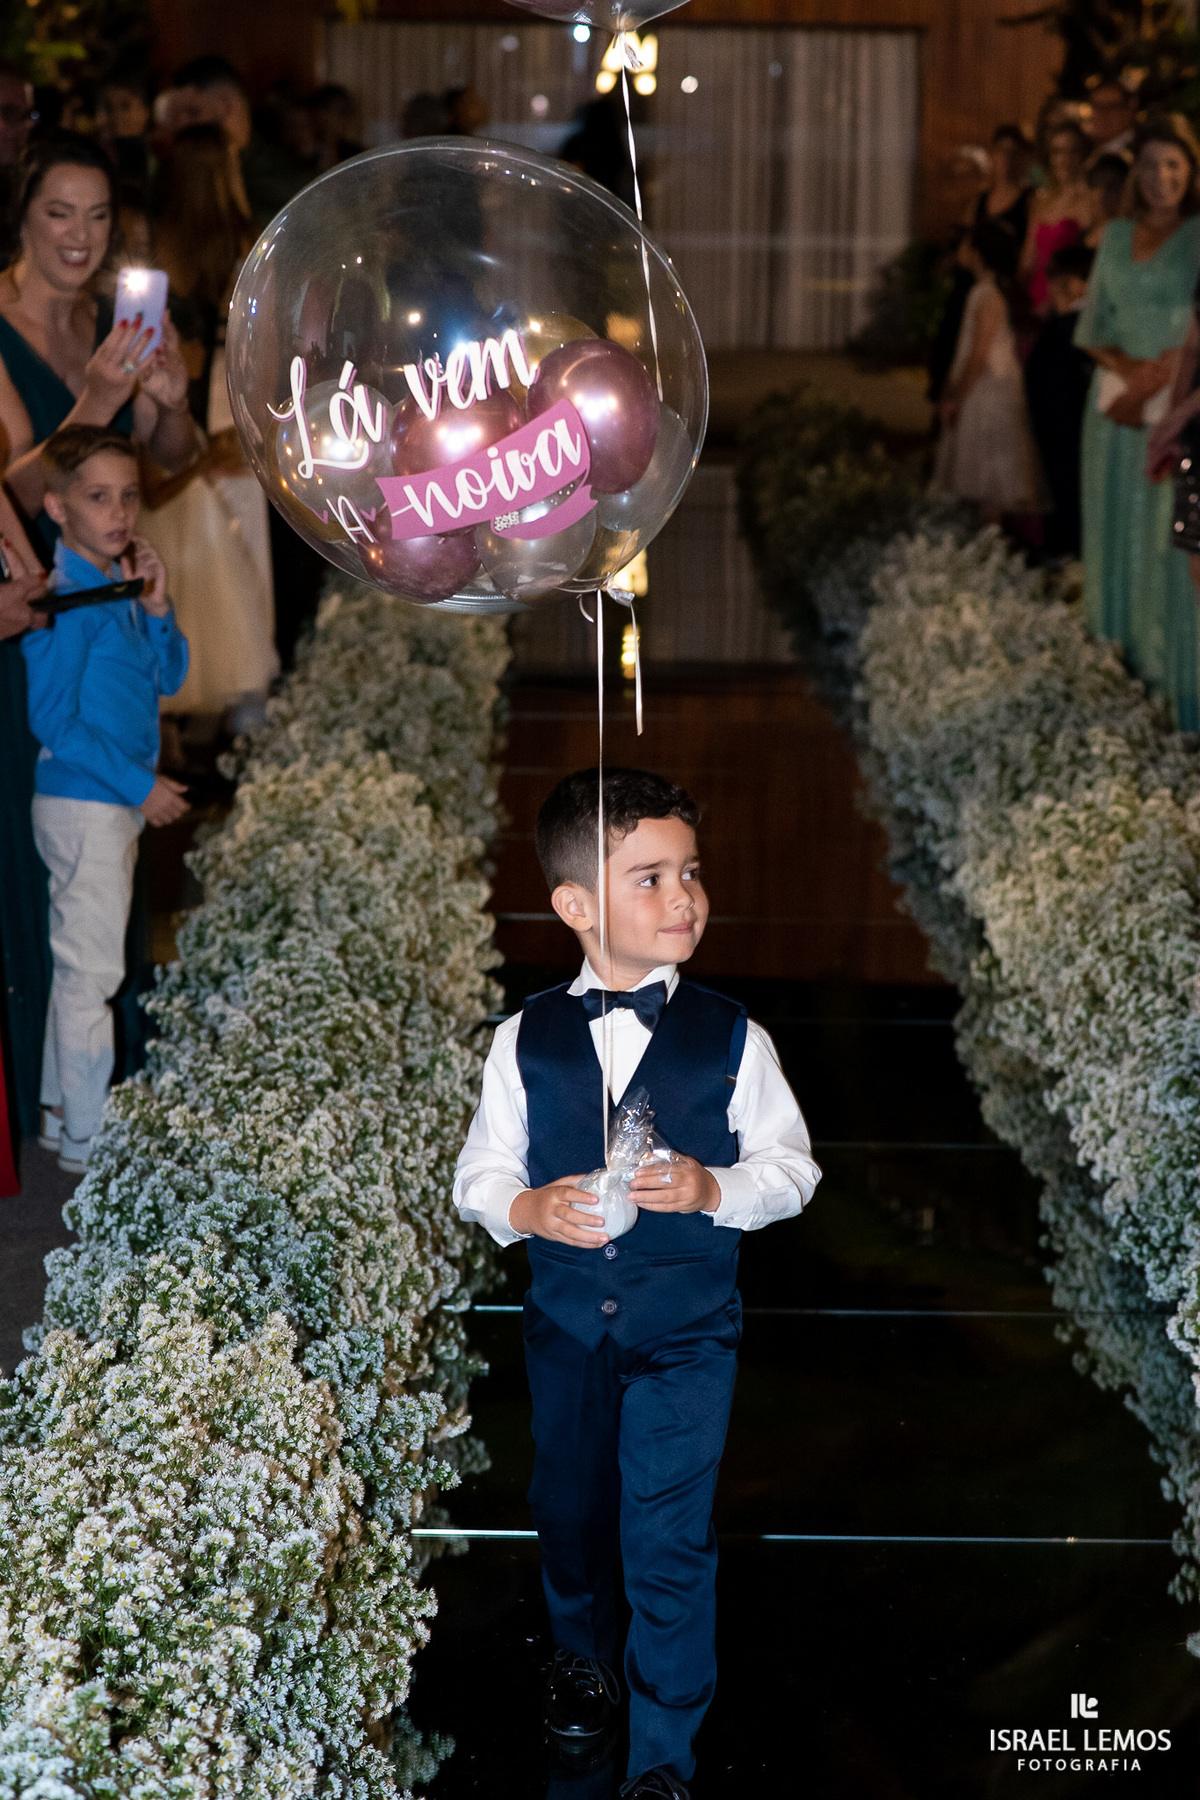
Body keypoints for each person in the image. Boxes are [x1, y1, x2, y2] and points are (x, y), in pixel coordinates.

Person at [454, 768, 820, 1800]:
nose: (684, 898)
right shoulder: (522, 1040)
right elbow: (481, 1172)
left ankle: (664, 1750)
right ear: (576, 907)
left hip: (686, 1335)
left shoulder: (735, 1039)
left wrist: (715, 1187)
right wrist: (524, 1209)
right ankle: (582, 1669)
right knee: (569, 1514)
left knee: (666, 1533)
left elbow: (793, 1170)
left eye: (690, 873)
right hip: (566, 1330)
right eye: (651, 878)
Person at [22, 425, 188, 1174]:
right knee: (93, 973)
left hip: (105, 799)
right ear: (56, 507)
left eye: (128, 496)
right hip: (85, 801)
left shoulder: (112, 585)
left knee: (81, 968)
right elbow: (52, 720)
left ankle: (64, 1116)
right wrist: (138, 785)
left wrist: (156, 608)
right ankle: (90, 1142)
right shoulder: (63, 599)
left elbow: (168, 679)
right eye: (97, 498)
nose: (119, 512)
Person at [0, 132, 196, 546]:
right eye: (60, 213)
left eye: (98, 215)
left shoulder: (113, 321)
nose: (82, 235)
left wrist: (173, 403)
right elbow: (13, 501)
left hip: (107, 578)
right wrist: (98, 403)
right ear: (22, 217)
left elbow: (173, 456)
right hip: (31, 588)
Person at [145, 120, 277, 728]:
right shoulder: (251, 242)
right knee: (240, 546)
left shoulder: (154, 244)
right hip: (228, 396)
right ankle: (239, 709)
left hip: (169, 393)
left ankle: (168, 700)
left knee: (169, 539)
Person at [1075, 116, 1200, 728]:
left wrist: (1171, 375)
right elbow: (1090, 328)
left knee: (1168, 549)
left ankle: (1175, 698)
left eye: (1174, 163)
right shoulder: (1116, 236)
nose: (1162, 176)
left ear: (1192, 170)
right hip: (1116, 412)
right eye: (1150, 164)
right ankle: (1115, 698)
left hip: (1180, 412)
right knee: (1114, 541)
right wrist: (1133, 370)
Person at [932, 221, 1046, 519]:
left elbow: (978, 354)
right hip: (982, 387)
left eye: (966, 245)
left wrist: (956, 396)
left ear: (978, 253)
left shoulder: (988, 296)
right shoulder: (982, 292)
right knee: (979, 472)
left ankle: (989, 540)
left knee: (988, 473)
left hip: (987, 391)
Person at [169, 56, 308, 233]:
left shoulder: (282, 181)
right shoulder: (187, 171)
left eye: (193, 112)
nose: (184, 125)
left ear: (228, 104)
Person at [1024, 241, 1095, 559]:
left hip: (1067, 434)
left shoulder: (1074, 329)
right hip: (1056, 432)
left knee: (1070, 503)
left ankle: (1069, 560)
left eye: (1057, 281)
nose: (1050, 290)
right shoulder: (1062, 326)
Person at [1020, 121, 1094, 310]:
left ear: (1084, 155)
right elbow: (1028, 261)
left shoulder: (1091, 203)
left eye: (1073, 151)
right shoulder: (1041, 203)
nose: (1064, 159)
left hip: (1069, 302)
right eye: (1057, 152)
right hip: (1035, 301)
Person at [975, 124, 1035, 252]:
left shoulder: (1030, 200)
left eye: (1013, 152)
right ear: (992, 155)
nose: (1006, 158)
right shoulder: (980, 199)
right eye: (1001, 150)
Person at [1086, 149, 1132, 245]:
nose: (1102, 193)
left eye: (1111, 186)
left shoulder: (1131, 236)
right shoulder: (1084, 234)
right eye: (1096, 185)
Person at [1086, 80, 1138, 161]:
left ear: (1128, 112)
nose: (1103, 114)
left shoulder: (1137, 151)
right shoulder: (1087, 150)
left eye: (1112, 107)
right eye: (1097, 107)